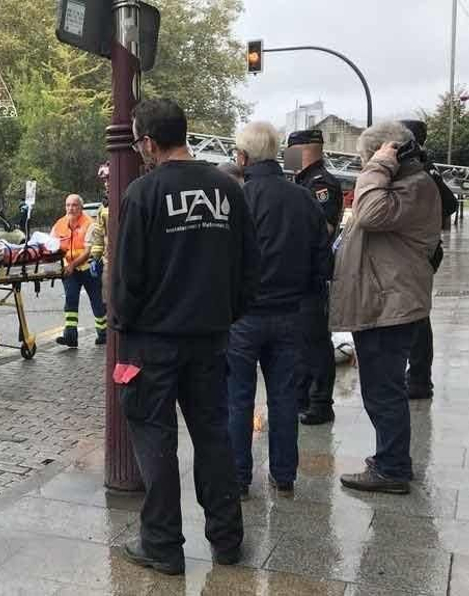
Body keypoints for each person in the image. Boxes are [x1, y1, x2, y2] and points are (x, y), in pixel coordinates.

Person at [112, 98, 258, 575]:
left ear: (149, 142)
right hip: (211, 338)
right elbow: (247, 268)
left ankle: (162, 545)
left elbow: (127, 276)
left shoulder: (142, 194)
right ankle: (227, 539)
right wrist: (225, 314)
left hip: (153, 342)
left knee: (155, 440)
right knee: (213, 435)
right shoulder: (228, 190)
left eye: (139, 143)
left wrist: (122, 325)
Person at [329, 121, 442, 494]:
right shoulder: (407, 183)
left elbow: (371, 214)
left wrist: (378, 166)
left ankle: (393, 468)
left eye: (368, 157)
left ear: (388, 153)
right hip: (383, 300)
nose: (363, 165)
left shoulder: (412, 185)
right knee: (382, 388)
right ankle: (389, 459)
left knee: (383, 390)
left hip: (387, 305)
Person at [222, 122, 329, 500]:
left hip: (244, 316)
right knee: (285, 398)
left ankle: (238, 476)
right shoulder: (303, 198)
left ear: (243, 157)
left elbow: (223, 261)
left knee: (238, 398)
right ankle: (284, 475)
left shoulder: (236, 199)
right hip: (291, 313)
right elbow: (323, 258)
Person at [399, 119, 459, 401]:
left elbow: (450, 204)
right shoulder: (426, 166)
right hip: (425, 249)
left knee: (416, 316)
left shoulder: (420, 168)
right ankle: (418, 377)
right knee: (417, 315)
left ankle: (419, 379)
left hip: (417, 252)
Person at [289, 129, 343, 424]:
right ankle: (303, 397)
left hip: (312, 273)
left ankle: (321, 401)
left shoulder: (320, 183)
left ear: (306, 150)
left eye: (291, 150)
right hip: (297, 273)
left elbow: (325, 228)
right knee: (300, 340)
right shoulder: (301, 181)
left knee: (315, 340)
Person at [53, 194, 107, 347]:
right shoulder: (60, 224)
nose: (71, 208)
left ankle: (103, 334)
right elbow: (52, 245)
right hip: (70, 270)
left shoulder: (89, 223)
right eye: (68, 205)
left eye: (74, 205)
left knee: (97, 301)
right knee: (70, 301)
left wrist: (71, 265)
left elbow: (88, 251)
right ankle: (70, 336)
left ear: (81, 207)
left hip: (89, 268)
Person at [87, 164, 111, 285]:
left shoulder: (129, 198)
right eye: (105, 180)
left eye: (109, 179)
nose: (106, 183)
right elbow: (98, 235)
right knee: (108, 299)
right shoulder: (103, 208)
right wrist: (95, 258)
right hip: (109, 261)